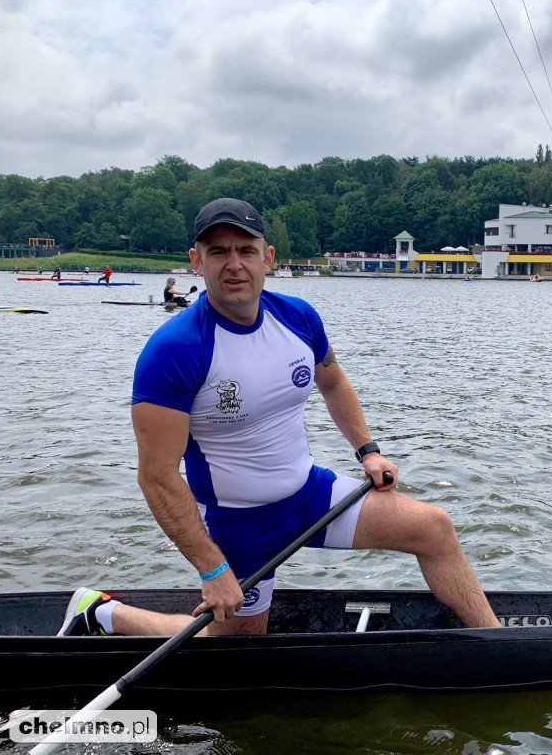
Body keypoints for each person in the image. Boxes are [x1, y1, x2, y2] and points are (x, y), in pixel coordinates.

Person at [57, 198, 499, 638]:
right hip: (239, 521)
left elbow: (334, 384)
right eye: (218, 252)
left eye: (246, 251)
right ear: (197, 262)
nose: (234, 265)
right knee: (233, 647)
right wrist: (213, 570)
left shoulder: (298, 318)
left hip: (311, 496)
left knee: (434, 528)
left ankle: (498, 642)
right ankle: (99, 612)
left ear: (267, 258)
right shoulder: (175, 350)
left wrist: (368, 451)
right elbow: (156, 477)